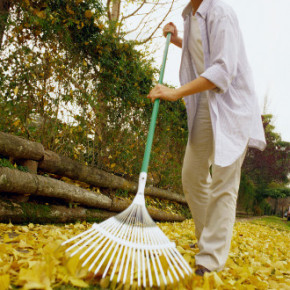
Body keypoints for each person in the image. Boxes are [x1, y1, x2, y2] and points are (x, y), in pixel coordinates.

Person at [147, 0, 266, 276]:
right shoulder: (191, 15)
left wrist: (175, 92)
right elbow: (202, 52)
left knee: (224, 181)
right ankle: (207, 241)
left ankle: (210, 260)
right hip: (207, 102)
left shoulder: (221, 12)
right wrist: (177, 38)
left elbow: (223, 70)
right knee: (192, 174)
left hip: (232, 105)